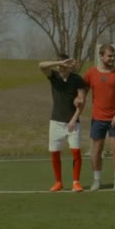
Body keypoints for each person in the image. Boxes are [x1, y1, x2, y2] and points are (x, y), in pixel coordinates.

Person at [80, 44, 115, 191]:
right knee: (96, 150)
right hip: (98, 118)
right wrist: (79, 99)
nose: (112, 58)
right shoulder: (90, 73)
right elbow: (83, 91)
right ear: (101, 56)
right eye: (109, 56)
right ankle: (97, 180)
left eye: (113, 56)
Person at [39, 54, 87, 192]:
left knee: (76, 152)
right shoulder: (53, 76)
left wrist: (73, 119)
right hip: (55, 122)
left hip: (73, 123)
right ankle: (58, 182)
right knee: (54, 153)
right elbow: (41, 65)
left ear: (69, 66)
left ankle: (76, 182)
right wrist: (58, 62)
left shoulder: (77, 79)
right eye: (60, 65)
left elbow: (82, 101)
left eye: (64, 65)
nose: (61, 67)